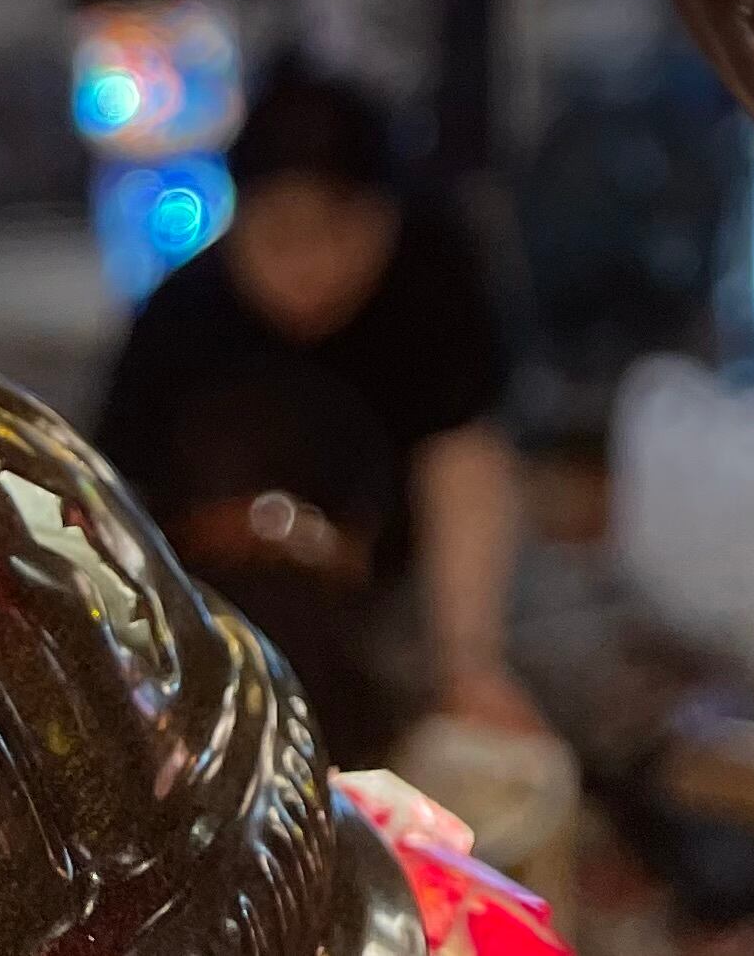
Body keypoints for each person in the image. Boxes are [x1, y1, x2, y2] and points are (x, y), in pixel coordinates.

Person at [97, 57, 542, 768]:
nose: (306, 264)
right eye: (278, 235)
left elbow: (465, 467)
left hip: (390, 622)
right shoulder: (177, 321)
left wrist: (469, 665)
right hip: (208, 648)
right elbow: (112, 517)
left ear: (384, 218)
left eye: (335, 232)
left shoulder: (434, 292)